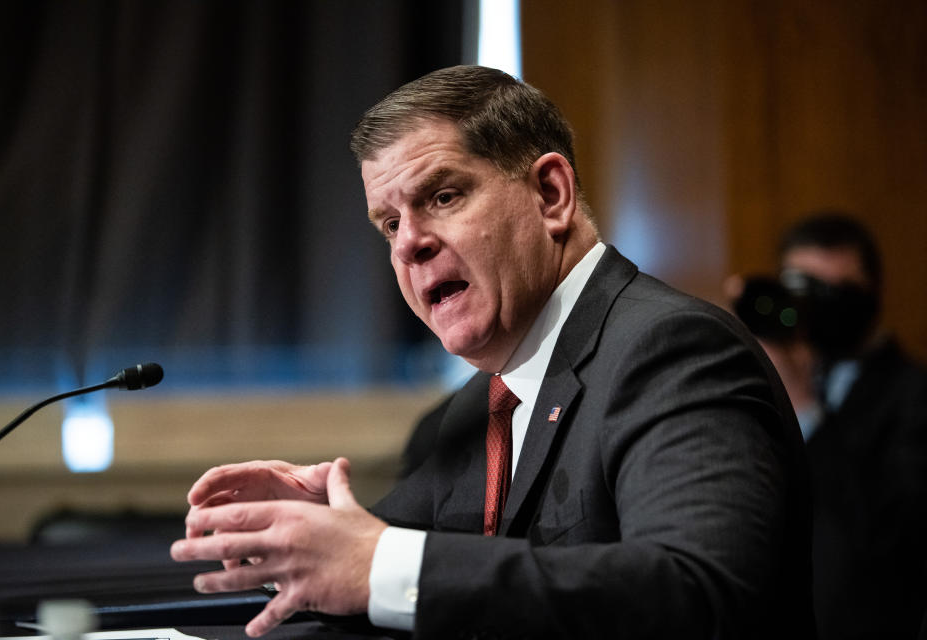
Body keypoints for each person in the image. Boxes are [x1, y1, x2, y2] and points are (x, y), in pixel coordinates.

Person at [170, 65, 815, 639]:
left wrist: (377, 562)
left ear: (550, 194)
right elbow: (405, 581)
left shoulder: (668, 351)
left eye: (442, 196)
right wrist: (318, 534)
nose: (407, 246)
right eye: (389, 223)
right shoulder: (477, 410)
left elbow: (698, 594)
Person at [736, 214, 927, 640]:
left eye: (838, 293)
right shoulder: (762, 382)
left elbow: (894, 538)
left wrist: (805, 406)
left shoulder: (913, 397)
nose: (820, 309)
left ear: (873, 292)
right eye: (804, 290)